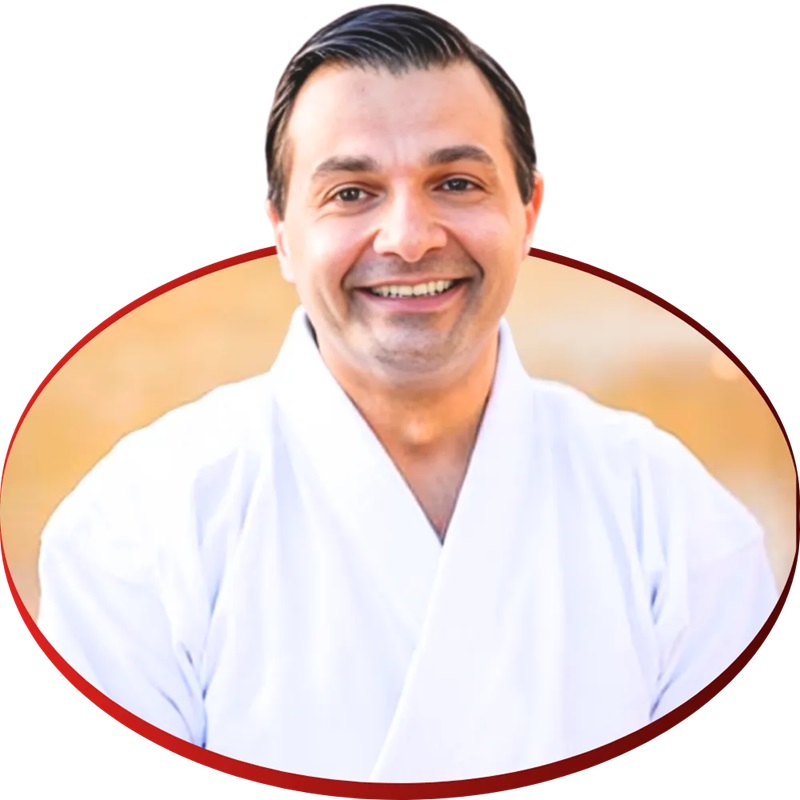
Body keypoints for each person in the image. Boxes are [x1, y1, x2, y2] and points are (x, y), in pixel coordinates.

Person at [37, 4, 777, 784]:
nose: (409, 238)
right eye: (352, 193)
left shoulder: (674, 520)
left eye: (456, 183)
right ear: (281, 233)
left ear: (528, 212)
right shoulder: (135, 531)